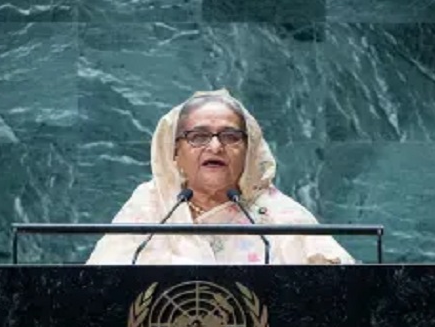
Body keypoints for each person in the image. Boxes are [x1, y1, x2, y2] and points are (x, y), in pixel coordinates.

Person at [86, 89, 355, 265]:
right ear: (175, 152)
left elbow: (341, 282)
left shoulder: (277, 214)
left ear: (248, 151)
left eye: (230, 137)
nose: (215, 147)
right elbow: (99, 282)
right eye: (198, 136)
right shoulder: (151, 204)